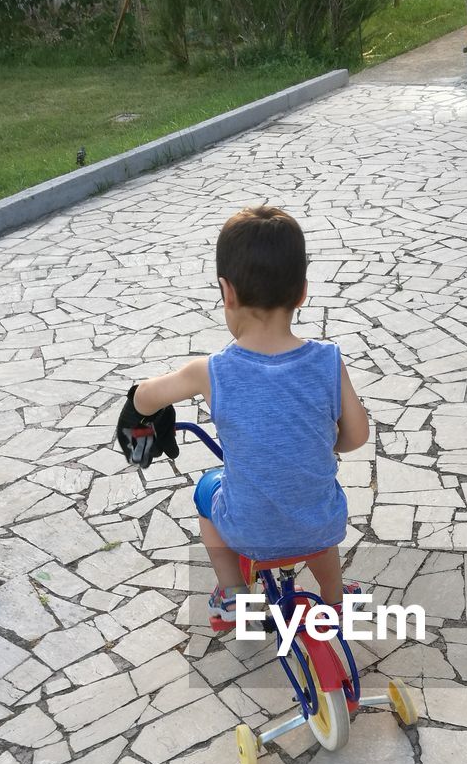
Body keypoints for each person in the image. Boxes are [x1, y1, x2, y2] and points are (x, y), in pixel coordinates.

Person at [131, 204, 370, 629]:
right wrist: (320, 441)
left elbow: (147, 396)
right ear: (301, 292)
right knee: (312, 518)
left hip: (247, 529)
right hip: (321, 522)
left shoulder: (210, 370)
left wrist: (138, 410)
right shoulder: (329, 361)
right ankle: (335, 601)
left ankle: (233, 598)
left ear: (228, 292)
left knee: (208, 491)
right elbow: (356, 435)